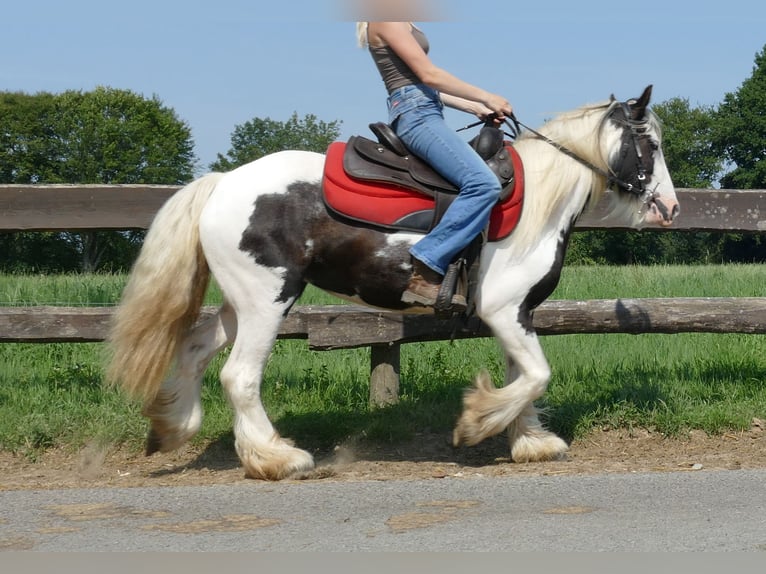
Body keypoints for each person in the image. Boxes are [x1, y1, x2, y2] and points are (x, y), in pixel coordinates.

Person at [357, 21, 514, 308]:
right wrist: (486, 95)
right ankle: (427, 265)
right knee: (483, 184)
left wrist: (476, 108)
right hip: (416, 115)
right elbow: (429, 75)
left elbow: (424, 84)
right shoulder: (384, 17)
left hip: (426, 109)